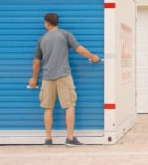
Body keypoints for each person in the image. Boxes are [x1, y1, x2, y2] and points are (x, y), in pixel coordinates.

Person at [28, 12, 101, 147]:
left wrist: (34, 78)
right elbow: (79, 49)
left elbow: (36, 62)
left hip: (47, 78)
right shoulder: (65, 34)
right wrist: (92, 57)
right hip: (64, 76)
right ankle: (70, 138)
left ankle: (48, 139)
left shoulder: (41, 39)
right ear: (57, 22)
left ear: (47, 23)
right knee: (69, 106)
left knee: (48, 108)